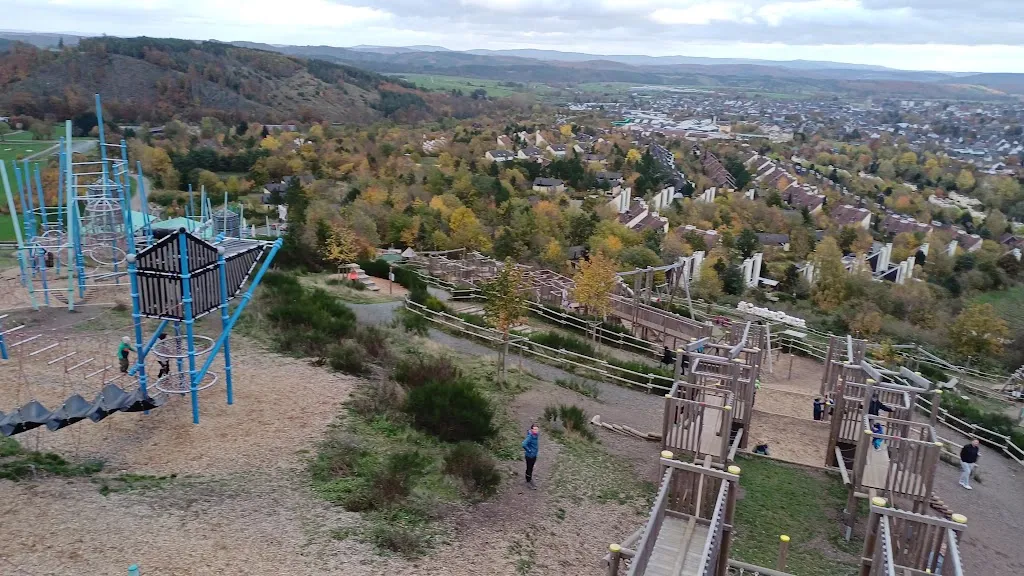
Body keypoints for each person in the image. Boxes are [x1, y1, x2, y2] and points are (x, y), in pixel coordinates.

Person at [521, 423, 539, 490]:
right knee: (529, 468)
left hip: (534, 455)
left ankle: (530, 479)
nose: (536, 430)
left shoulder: (536, 435)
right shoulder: (530, 436)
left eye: (537, 429)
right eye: (534, 429)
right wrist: (529, 450)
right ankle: (528, 481)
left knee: (531, 468)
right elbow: (524, 444)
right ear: (532, 429)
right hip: (529, 456)